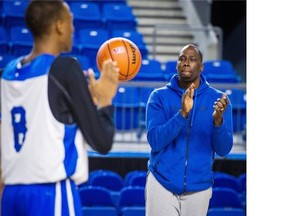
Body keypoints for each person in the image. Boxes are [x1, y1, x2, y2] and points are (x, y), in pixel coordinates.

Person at [0, 1, 119, 215]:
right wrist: (105, 98)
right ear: (59, 26)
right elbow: (102, 141)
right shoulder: (65, 69)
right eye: (71, 21)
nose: (74, 29)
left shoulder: (8, 72)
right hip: (50, 192)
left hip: (11, 193)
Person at [145, 44, 233, 216]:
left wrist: (218, 121)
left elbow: (224, 150)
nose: (186, 62)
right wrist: (182, 114)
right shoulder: (159, 96)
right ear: (177, 64)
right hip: (162, 183)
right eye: (182, 59)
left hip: (199, 188)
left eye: (192, 59)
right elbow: (155, 141)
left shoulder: (218, 100)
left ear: (201, 66)